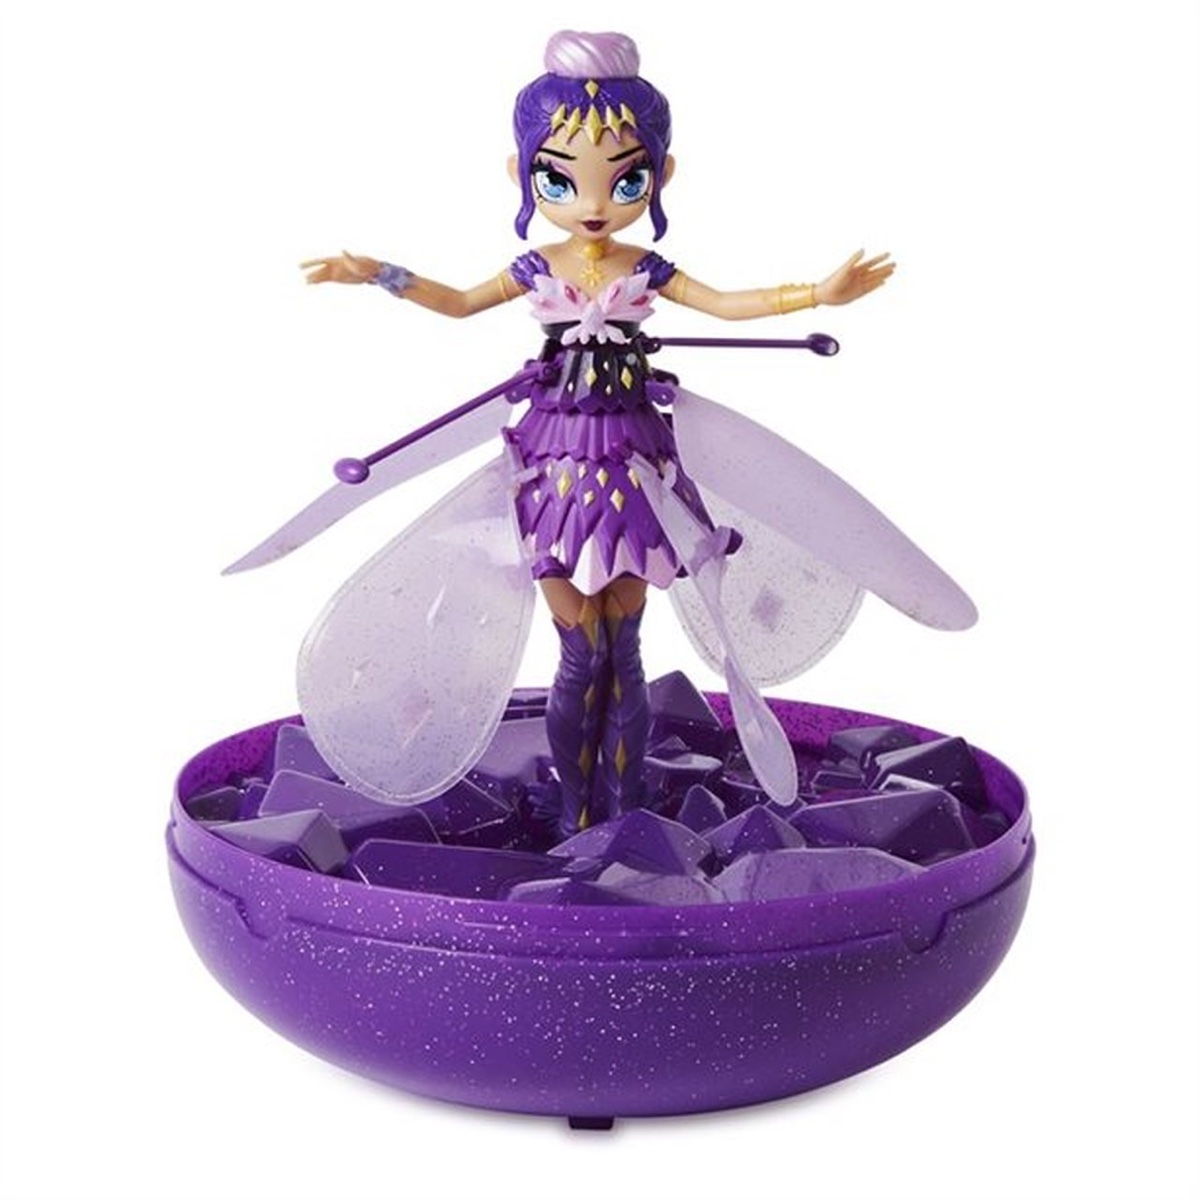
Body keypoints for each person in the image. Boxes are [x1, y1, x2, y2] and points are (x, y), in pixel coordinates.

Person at [291, 30, 970, 837]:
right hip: (553, 466)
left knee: (624, 647)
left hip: (634, 462)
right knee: (579, 650)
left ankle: (622, 808)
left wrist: (815, 294)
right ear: (521, 174)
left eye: (626, 179)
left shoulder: (645, 267)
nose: (592, 203)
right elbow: (460, 302)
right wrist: (379, 274)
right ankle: (576, 811)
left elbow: (725, 304)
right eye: (558, 178)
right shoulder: (537, 267)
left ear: (661, 174)